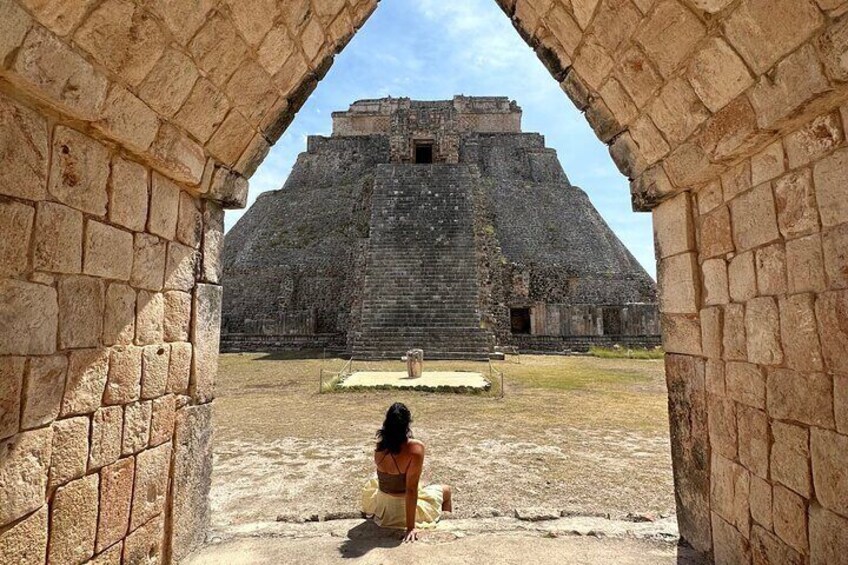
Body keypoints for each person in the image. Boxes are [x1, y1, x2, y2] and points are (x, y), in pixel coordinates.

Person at [361, 402, 452, 542]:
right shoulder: (415, 448)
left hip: (383, 507)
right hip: (402, 510)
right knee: (446, 490)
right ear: (407, 424)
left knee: (373, 480)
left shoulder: (380, 445)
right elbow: (410, 489)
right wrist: (410, 527)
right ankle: (449, 521)